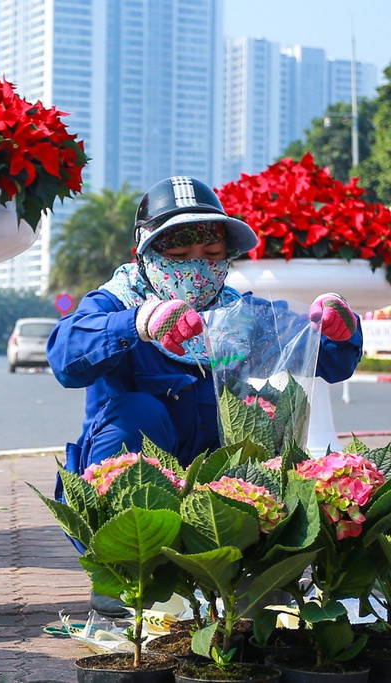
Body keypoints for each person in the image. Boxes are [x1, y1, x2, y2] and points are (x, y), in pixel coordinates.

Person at [46, 176, 363, 616]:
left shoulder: (243, 315)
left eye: (212, 255)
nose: (197, 268)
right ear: (145, 256)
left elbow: (328, 360)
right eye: (178, 255)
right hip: (136, 500)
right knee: (138, 411)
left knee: (267, 420)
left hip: (216, 499)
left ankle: (254, 569)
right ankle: (124, 571)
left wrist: (338, 327)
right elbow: (64, 356)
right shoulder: (116, 304)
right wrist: (139, 323)